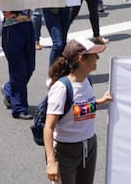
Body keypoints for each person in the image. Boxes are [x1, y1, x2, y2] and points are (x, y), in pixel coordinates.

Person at [43, 37, 112, 184]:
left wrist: (99, 101)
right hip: (65, 151)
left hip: (89, 146)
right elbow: (48, 127)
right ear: (81, 59)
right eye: (94, 55)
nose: (98, 58)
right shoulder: (61, 89)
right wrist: (51, 161)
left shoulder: (87, 81)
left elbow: (78, 109)